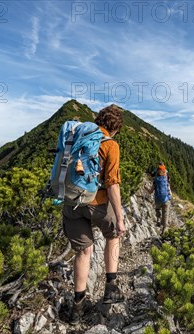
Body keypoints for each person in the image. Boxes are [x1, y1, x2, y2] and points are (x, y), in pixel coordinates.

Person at [63, 105, 125, 325]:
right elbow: (112, 184)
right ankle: (110, 288)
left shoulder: (78, 136)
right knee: (113, 236)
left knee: (83, 251)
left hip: (72, 202)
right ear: (116, 127)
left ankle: (76, 310)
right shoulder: (110, 145)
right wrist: (119, 218)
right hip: (96, 202)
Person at [150, 162, 172, 232]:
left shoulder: (156, 180)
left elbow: (151, 190)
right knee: (165, 214)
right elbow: (168, 186)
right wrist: (170, 195)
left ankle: (158, 219)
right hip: (166, 199)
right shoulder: (166, 177)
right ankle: (164, 229)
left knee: (157, 209)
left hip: (158, 199)